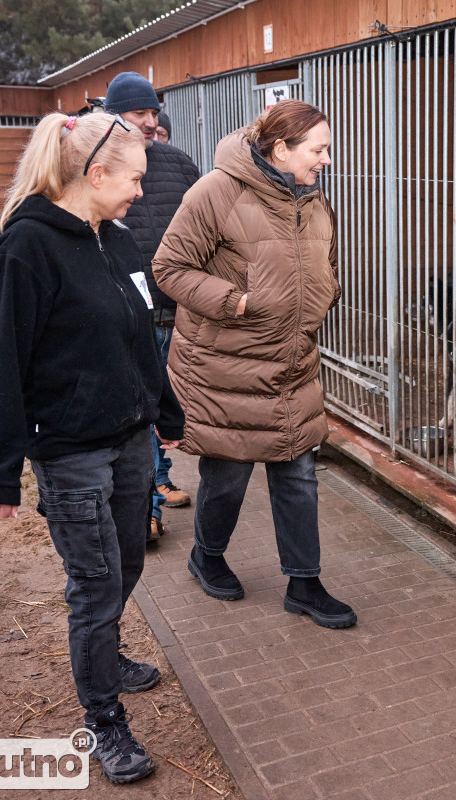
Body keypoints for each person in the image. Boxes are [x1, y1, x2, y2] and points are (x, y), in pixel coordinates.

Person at [0, 111, 184, 784]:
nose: (141, 194)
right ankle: (104, 718)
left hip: (127, 441)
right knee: (94, 588)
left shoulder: (114, 241)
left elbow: (140, 333)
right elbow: (0, 362)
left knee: (125, 566)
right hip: (68, 451)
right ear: (96, 174)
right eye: (135, 179)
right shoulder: (25, 249)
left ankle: (108, 656)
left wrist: (164, 410)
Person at [152, 100, 355, 628]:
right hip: (228, 368)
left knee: (298, 472)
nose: (327, 160)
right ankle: (207, 555)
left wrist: (322, 294)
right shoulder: (216, 191)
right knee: (228, 476)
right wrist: (235, 301)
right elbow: (169, 266)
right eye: (319, 149)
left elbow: (320, 262)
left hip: (290, 362)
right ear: (280, 149)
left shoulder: (310, 198)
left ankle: (304, 583)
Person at [102, 72, 201, 542]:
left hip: (179, 311)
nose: (148, 120)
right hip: (129, 316)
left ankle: (158, 482)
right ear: (113, 115)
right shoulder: (98, 167)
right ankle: (147, 510)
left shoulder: (179, 164)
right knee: (140, 408)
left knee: (167, 409)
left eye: (152, 112)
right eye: (138, 112)